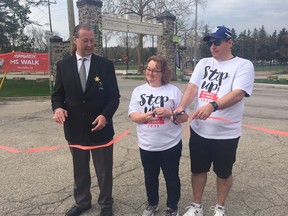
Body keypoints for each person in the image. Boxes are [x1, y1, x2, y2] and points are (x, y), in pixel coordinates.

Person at [176, 26, 255, 216]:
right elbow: (192, 88)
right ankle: (197, 206)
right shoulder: (203, 63)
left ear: (230, 42)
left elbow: (238, 94)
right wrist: (181, 107)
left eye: (217, 42)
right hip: (200, 130)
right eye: (211, 43)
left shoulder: (243, 65)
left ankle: (220, 208)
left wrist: (212, 106)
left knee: (224, 173)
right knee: (198, 170)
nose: (213, 46)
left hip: (226, 133)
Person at [51, 24, 120, 216]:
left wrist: (105, 116)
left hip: (101, 128)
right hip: (75, 129)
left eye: (92, 40)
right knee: (80, 169)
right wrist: (58, 108)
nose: (90, 44)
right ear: (75, 40)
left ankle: (106, 204)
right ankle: (82, 202)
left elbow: (114, 96)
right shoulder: (63, 66)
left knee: (104, 171)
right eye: (85, 40)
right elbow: (57, 95)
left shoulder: (105, 66)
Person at [128, 55, 189, 216]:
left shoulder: (173, 91)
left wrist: (170, 112)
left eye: (156, 70)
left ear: (164, 72)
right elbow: (133, 115)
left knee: (171, 177)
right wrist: (146, 117)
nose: (151, 73)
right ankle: (152, 203)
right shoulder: (138, 91)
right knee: (150, 177)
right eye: (148, 69)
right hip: (147, 144)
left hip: (170, 144)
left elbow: (184, 117)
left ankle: (172, 207)